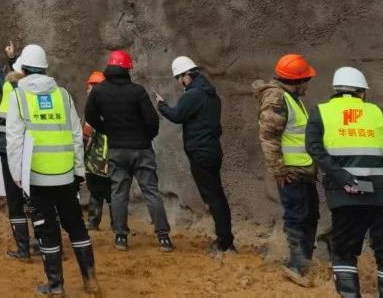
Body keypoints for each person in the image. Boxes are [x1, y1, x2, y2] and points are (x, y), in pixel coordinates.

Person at [307, 67, 383, 298]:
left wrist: (342, 177)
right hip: (381, 195)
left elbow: (314, 149)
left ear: (336, 90)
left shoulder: (321, 113)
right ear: (362, 92)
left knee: (345, 251)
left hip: (347, 193)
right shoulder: (374, 112)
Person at [5, 44, 99, 295]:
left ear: (23, 69)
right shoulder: (63, 94)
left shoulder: (18, 96)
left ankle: (56, 286)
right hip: (66, 175)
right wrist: (78, 171)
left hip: (37, 178)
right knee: (76, 226)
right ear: (45, 68)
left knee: (47, 231)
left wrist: (17, 176)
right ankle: (91, 280)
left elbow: (14, 141)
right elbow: (76, 134)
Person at [84, 49, 173, 252]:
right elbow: (152, 120)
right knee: (151, 191)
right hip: (141, 148)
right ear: (127, 69)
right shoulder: (137, 91)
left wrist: (107, 130)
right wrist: (147, 136)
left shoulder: (99, 91)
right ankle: (163, 237)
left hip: (117, 149)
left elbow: (90, 115)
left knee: (118, 193)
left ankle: (120, 237)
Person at [155, 56, 235, 256]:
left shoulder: (193, 95)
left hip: (201, 153)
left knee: (213, 197)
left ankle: (224, 242)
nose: (178, 82)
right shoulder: (210, 94)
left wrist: (162, 106)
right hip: (212, 150)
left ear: (187, 76)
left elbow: (177, 115)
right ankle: (226, 239)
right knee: (217, 195)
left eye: (179, 78)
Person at [253, 53, 320, 285]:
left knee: (309, 215)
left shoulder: (291, 98)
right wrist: (279, 169)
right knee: (298, 216)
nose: (308, 85)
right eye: (306, 80)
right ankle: (297, 265)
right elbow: (269, 137)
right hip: (291, 172)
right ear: (296, 80)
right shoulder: (277, 99)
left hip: (303, 171)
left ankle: (303, 262)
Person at [0, 35, 32, 260]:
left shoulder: (8, 88)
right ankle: (47, 244)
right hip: (31, 151)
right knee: (37, 200)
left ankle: (23, 248)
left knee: (14, 201)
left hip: (7, 150)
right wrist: (12, 57)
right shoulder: (35, 91)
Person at [82, 71, 113, 230]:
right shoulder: (111, 105)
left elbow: (86, 135)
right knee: (101, 191)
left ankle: (97, 222)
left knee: (105, 191)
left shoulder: (95, 109)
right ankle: (114, 225)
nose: (88, 90)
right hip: (103, 159)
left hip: (101, 158)